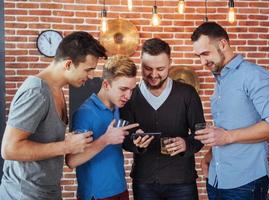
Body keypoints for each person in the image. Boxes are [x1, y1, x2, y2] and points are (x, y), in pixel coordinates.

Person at [0, 31, 107, 200]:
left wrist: (70, 141)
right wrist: (66, 146)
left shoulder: (56, 89)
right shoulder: (36, 92)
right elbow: (9, 149)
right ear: (68, 64)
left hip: (47, 192)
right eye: (88, 69)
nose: (91, 76)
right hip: (24, 194)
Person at [191, 22, 269, 200]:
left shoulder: (254, 75)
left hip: (245, 183)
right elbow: (228, 126)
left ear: (222, 44)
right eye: (198, 56)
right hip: (216, 179)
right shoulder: (220, 79)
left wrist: (227, 137)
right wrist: (211, 154)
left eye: (205, 54)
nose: (202, 62)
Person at [120, 38, 205, 200]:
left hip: (182, 182)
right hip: (144, 182)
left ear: (170, 63)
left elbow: (200, 134)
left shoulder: (187, 93)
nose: (153, 75)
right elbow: (124, 139)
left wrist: (186, 143)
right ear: (140, 63)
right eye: (147, 68)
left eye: (160, 69)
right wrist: (135, 143)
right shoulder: (130, 96)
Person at [66, 55, 149, 200]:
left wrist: (137, 138)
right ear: (106, 85)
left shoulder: (118, 108)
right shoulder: (85, 113)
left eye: (131, 90)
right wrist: (105, 139)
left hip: (120, 189)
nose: (128, 96)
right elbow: (72, 160)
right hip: (96, 195)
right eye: (123, 89)